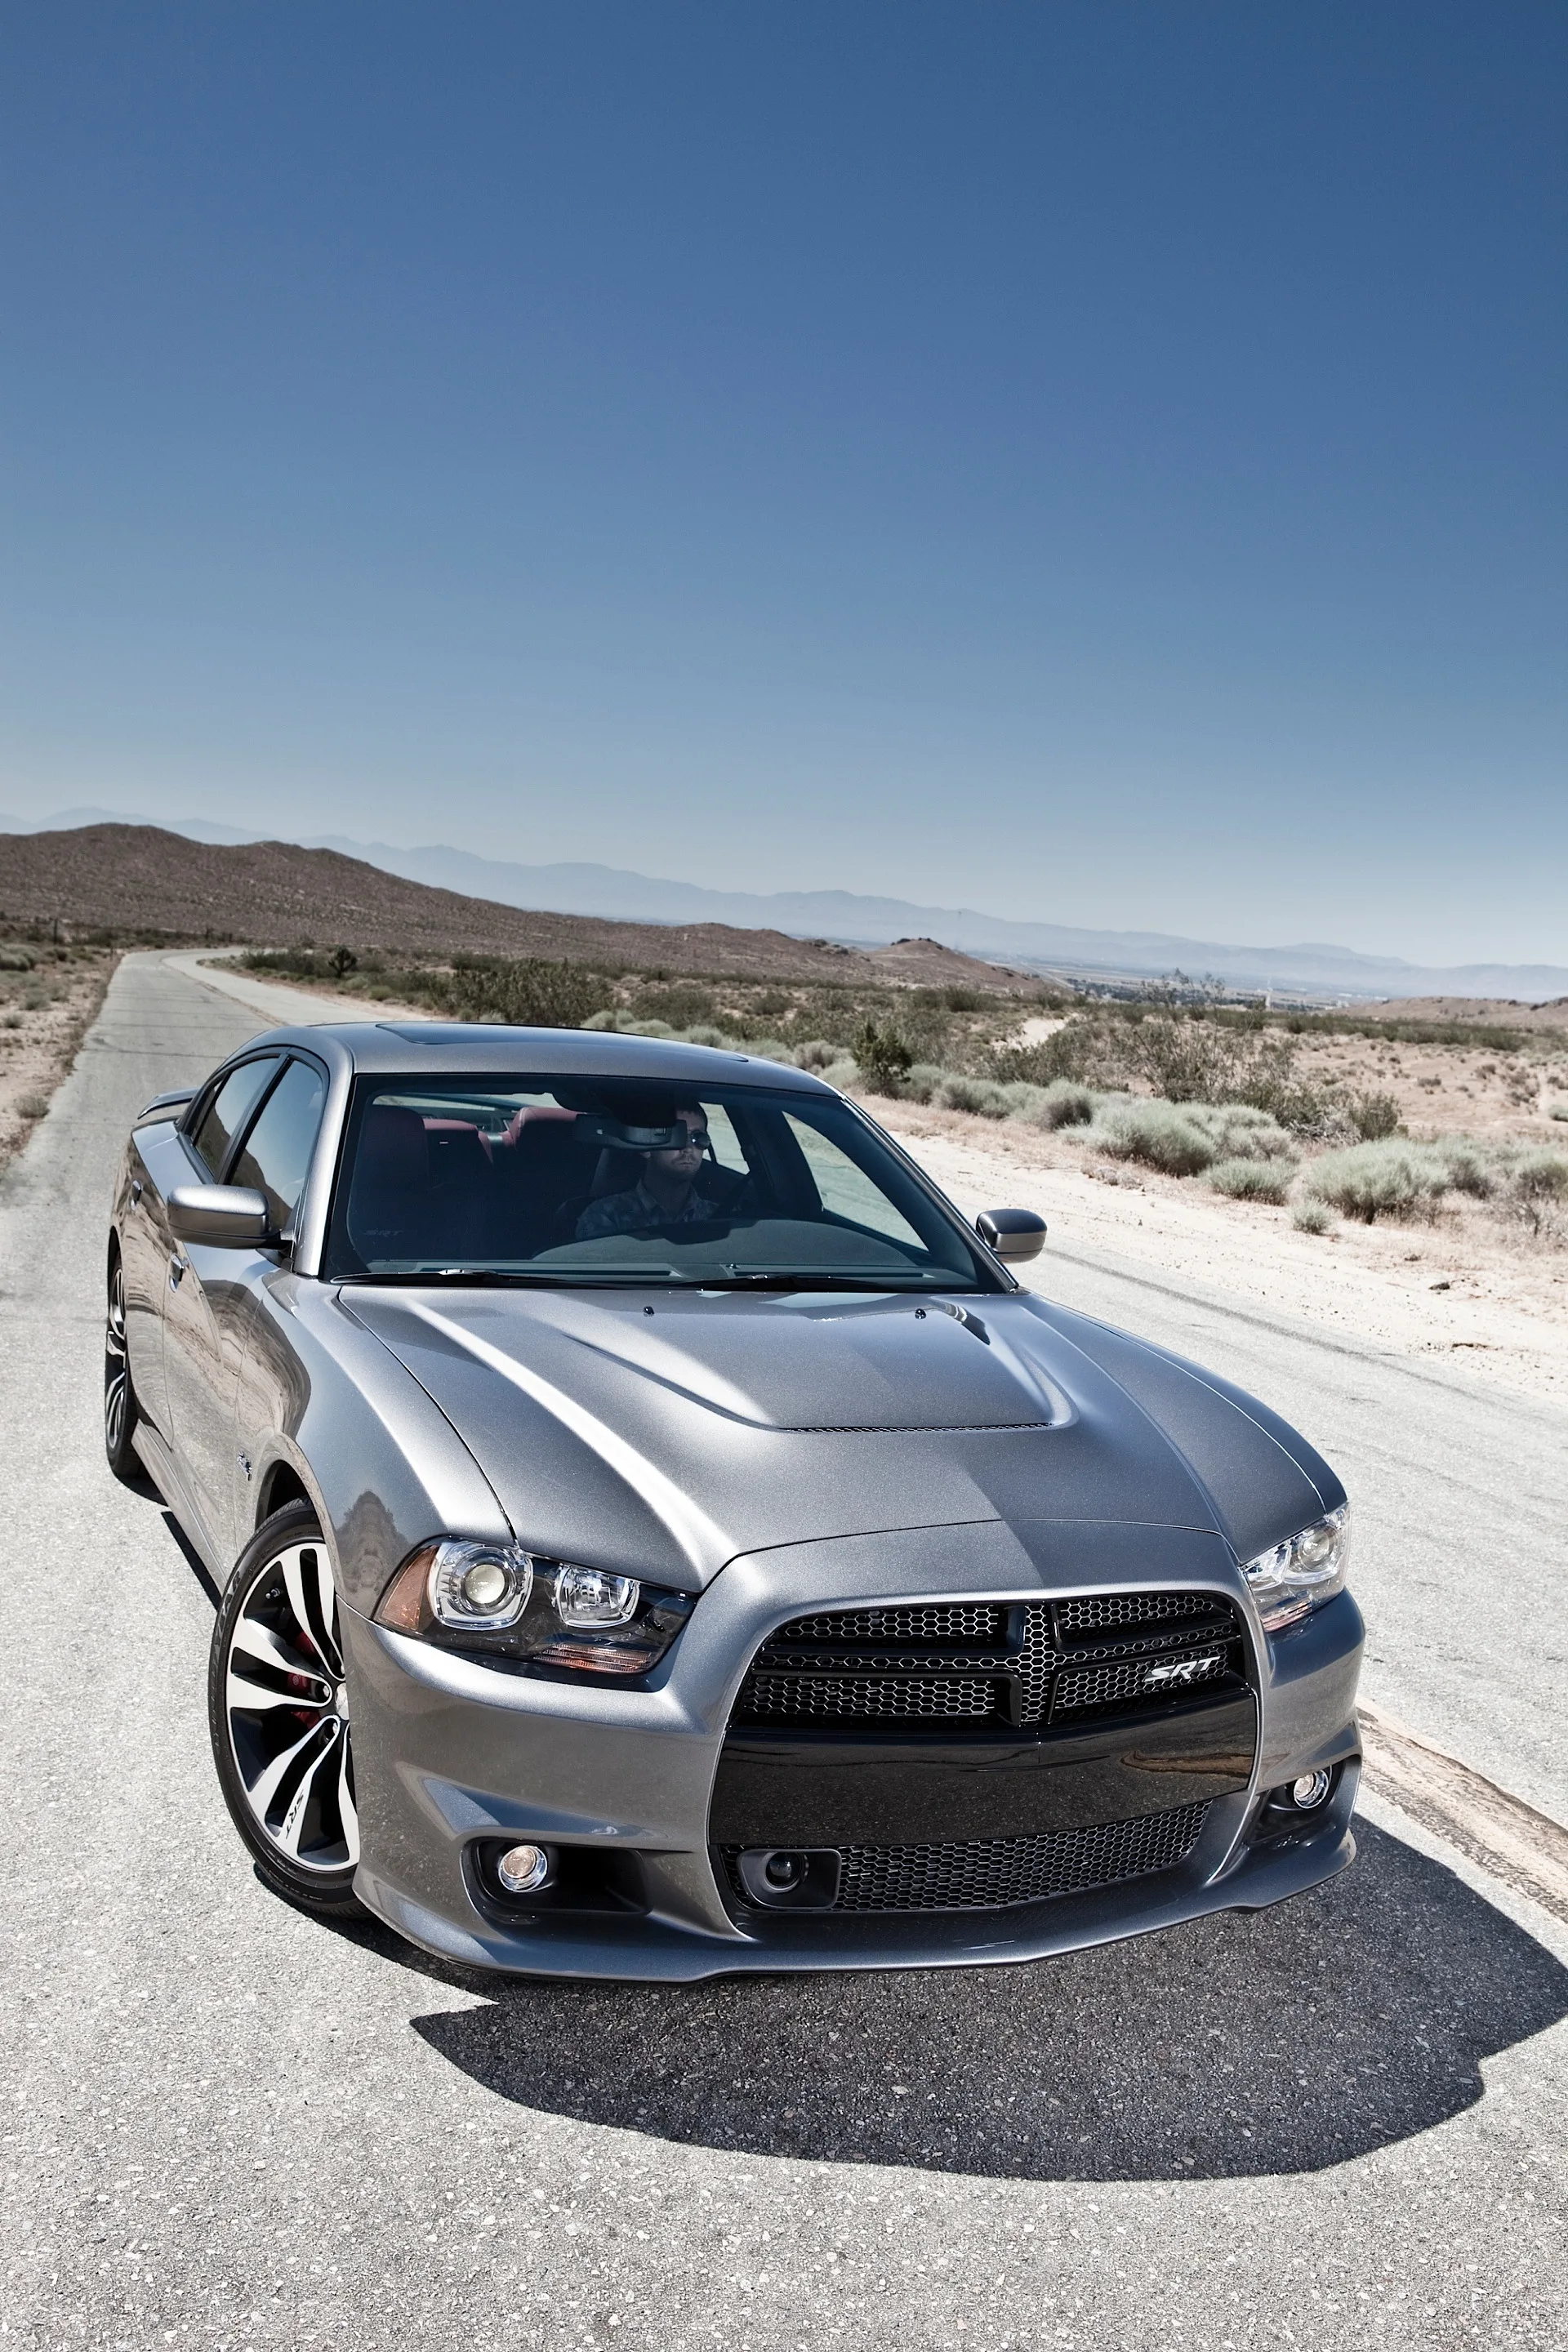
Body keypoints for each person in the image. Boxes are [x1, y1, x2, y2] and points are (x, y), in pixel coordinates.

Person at [574, 1105, 740, 1239]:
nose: (689, 1148)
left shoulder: (720, 1219)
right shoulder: (606, 1216)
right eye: (676, 1137)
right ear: (647, 1148)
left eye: (699, 1138)